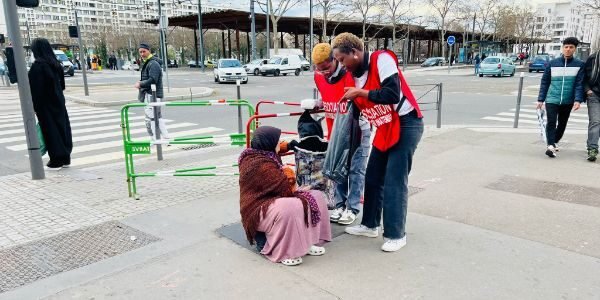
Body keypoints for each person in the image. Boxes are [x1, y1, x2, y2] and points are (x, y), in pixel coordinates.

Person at [331, 32, 424, 252]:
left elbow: (392, 93)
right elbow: (355, 105)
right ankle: (370, 224)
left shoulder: (382, 59)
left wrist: (360, 93)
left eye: (343, 60)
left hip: (406, 124)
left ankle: (396, 234)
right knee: (372, 178)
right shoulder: (354, 76)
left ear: (355, 52)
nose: (342, 66)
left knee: (394, 180)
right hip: (384, 127)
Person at [238, 126, 332, 266]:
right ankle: (282, 251)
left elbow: (279, 150)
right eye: (277, 141)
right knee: (291, 207)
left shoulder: (265, 153)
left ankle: (307, 242)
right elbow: (285, 186)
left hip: (277, 196)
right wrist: (289, 175)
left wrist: (289, 145)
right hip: (258, 208)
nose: (279, 143)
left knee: (316, 196)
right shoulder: (257, 163)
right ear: (269, 143)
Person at [310, 43, 370, 225]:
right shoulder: (318, 77)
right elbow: (326, 96)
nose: (325, 73)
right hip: (335, 132)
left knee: (355, 169)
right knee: (337, 169)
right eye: (320, 70)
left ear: (335, 60)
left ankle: (352, 208)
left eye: (327, 68)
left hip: (357, 128)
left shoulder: (351, 75)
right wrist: (318, 103)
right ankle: (339, 205)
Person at [536, 37, 585, 158]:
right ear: (562, 48)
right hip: (552, 98)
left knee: (562, 124)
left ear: (575, 49)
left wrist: (578, 100)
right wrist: (540, 100)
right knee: (551, 122)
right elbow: (545, 82)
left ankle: (554, 141)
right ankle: (550, 146)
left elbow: (579, 84)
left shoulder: (579, 65)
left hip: (568, 100)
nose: (568, 49)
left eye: (571, 47)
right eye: (566, 47)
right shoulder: (552, 64)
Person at [28, 38, 73, 170]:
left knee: (50, 130)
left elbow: (36, 90)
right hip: (58, 101)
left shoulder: (38, 66)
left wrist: (35, 107)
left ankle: (56, 160)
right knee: (62, 128)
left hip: (45, 104)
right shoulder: (56, 64)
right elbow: (62, 85)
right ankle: (65, 158)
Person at [134, 43, 170, 139]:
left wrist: (140, 84)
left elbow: (153, 79)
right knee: (157, 117)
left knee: (152, 119)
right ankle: (166, 138)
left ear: (149, 50)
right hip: (151, 94)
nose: (142, 54)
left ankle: (155, 139)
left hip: (153, 94)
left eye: (143, 51)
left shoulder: (153, 63)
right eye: (140, 52)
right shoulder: (149, 62)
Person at [584, 51, 600, 162]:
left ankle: (591, 143)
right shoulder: (594, 58)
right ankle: (592, 148)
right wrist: (587, 90)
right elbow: (584, 76)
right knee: (595, 121)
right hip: (594, 94)